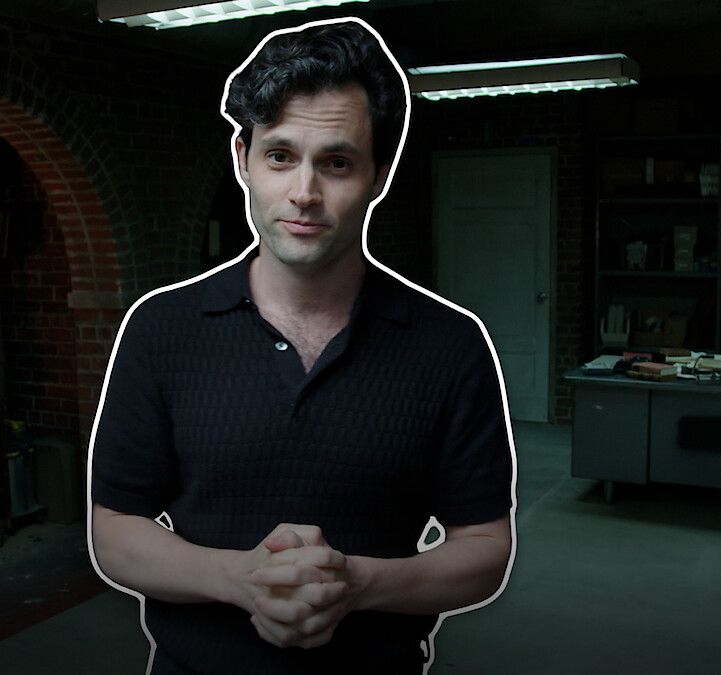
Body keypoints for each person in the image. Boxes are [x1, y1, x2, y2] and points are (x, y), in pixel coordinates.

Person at [89, 17, 516, 675]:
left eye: (337, 162)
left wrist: (357, 585)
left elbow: (485, 545)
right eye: (281, 155)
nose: (304, 194)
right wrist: (241, 578)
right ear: (244, 160)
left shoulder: (451, 345)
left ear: (379, 174)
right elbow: (115, 528)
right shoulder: (161, 329)